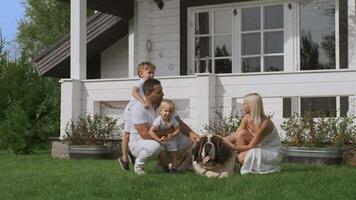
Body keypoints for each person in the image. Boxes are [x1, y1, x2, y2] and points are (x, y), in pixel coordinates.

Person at [129, 78, 200, 175]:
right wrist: (169, 131)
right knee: (155, 147)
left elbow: (179, 123)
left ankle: (163, 166)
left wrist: (193, 134)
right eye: (159, 92)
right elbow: (145, 135)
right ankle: (139, 164)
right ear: (148, 93)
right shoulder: (138, 108)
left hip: (161, 139)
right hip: (139, 143)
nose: (163, 94)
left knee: (188, 141)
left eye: (162, 91)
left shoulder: (164, 106)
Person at [224, 93, 283, 175]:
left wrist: (233, 147)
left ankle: (246, 164)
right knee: (242, 134)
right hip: (259, 146)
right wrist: (219, 139)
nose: (242, 106)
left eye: (244, 104)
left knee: (240, 158)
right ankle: (242, 166)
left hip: (272, 151)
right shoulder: (247, 118)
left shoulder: (265, 124)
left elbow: (251, 146)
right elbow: (236, 135)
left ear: (252, 105)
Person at [118, 62, 156, 171]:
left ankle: (132, 154)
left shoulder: (150, 85)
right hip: (131, 112)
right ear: (141, 74)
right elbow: (134, 93)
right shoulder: (140, 83)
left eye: (153, 73)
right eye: (149, 72)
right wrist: (143, 102)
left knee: (138, 134)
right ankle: (124, 157)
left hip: (139, 113)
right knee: (127, 134)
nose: (152, 75)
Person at [148, 99, 181, 173]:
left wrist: (172, 135)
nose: (168, 113)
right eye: (166, 111)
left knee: (173, 154)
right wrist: (158, 140)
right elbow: (150, 131)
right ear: (160, 111)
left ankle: (174, 169)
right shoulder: (158, 120)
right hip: (161, 139)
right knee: (162, 154)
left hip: (170, 138)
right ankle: (165, 168)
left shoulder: (172, 119)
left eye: (170, 111)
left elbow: (178, 128)